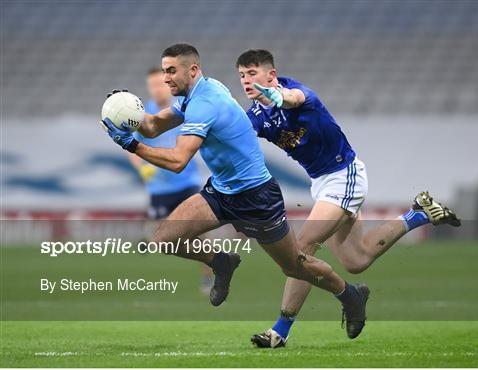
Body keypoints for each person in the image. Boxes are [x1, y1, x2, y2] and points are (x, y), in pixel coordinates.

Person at [100, 43, 369, 340]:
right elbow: (151, 126)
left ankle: (349, 295)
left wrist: (130, 145)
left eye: (172, 71)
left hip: (256, 197)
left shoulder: (206, 104)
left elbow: (177, 161)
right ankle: (221, 261)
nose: (166, 78)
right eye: (164, 71)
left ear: (192, 70)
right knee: (165, 239)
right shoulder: (194, 95)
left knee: (295, 266)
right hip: (222, 191)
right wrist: (126, 118)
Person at [236, 49, 461, 348]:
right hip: (321, 184)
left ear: (271, 75)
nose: (246, 81)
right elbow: (233, 135)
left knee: (301, 247)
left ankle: (280, 331)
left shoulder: (296, 92)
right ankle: (418, 215)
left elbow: (295, 99)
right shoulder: (256, 116)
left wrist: (280, 97)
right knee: (356, 260)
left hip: (345, 175)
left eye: (252, 74)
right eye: (241, 76)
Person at [127, 67, 212, 295]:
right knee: (159, 238)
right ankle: (148, 233)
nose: (156, 89)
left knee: (199, 233)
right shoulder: (143, 113)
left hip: (186, 182)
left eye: (160, 84)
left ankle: (209, 275)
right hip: (159, 187)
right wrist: (141, 168)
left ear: (167, 84)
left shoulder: (182, 107)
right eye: (152, 85)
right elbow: (131, 148)